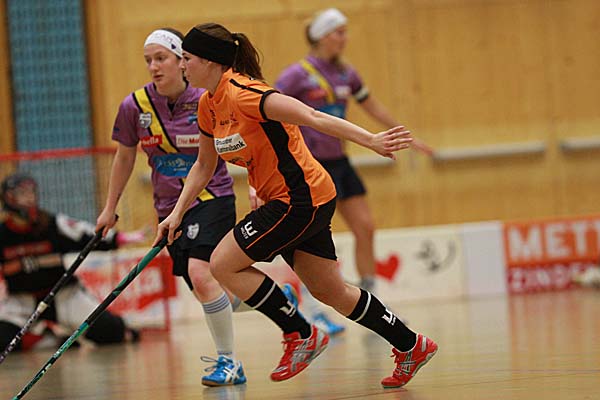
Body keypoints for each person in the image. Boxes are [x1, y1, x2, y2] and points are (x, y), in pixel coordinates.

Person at [155, 22, 438, 387]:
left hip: (299, 198)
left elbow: (313, 116)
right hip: (295, 198)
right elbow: (204, 166)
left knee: (222, 264)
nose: (181, 65)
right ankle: (412, 344)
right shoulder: (208, 105)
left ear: (209, 61)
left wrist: (371, 140)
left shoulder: (247, 94)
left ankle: (301, 334)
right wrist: (176, 214)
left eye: (187, 58)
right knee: (331, 291)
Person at [95, 28, 246, 387]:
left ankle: (229, 362)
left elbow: (247, 142)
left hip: (211, 197)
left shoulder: (207, 99)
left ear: (182, 61)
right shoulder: (134, 107)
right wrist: (109, 207)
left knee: (201, 274)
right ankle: (273, 298)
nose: (153, 66)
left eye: (161, 58)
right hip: (167, 208)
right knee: (210, 289)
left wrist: (256, 186)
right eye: (148, 60)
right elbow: (124, 157)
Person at [275, 8, 422, 334]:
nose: (345, 38)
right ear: (322, 36)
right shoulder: (296, 75)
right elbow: (270, 109)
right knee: (309, 236)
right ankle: (313, 310)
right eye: (338, 32)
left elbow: (372, 105)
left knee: (366, 227)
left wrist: (404, 133)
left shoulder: (346, 73)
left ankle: (376, 303)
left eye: (345, 32)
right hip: (310, 165)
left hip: (340, 162)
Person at [0, 173, 141, 353]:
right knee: (3, 339)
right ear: (8, 198)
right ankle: (55, 339)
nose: (29, 197)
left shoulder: (51, 223)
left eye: (31, 192)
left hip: (63, 295)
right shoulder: (2, 232)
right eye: (22, 193)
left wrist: (118, 238)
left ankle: (118, 330)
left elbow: (85, 233)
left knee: (110, 331)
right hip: (21, 301)